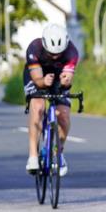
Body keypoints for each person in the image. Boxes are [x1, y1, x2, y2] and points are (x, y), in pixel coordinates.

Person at [24, 24, 78, 176]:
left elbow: (68, 78)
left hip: (57, 78)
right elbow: (37, 80)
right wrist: (43, 82)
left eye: (59, 54)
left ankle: (58, 152)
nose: (55, 57)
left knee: (64, 115)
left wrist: (65, 81)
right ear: (44, 45)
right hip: (37, 77)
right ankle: (33, 155)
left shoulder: (72, 52)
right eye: (51, 53)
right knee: (38, 106)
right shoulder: (34, 48)